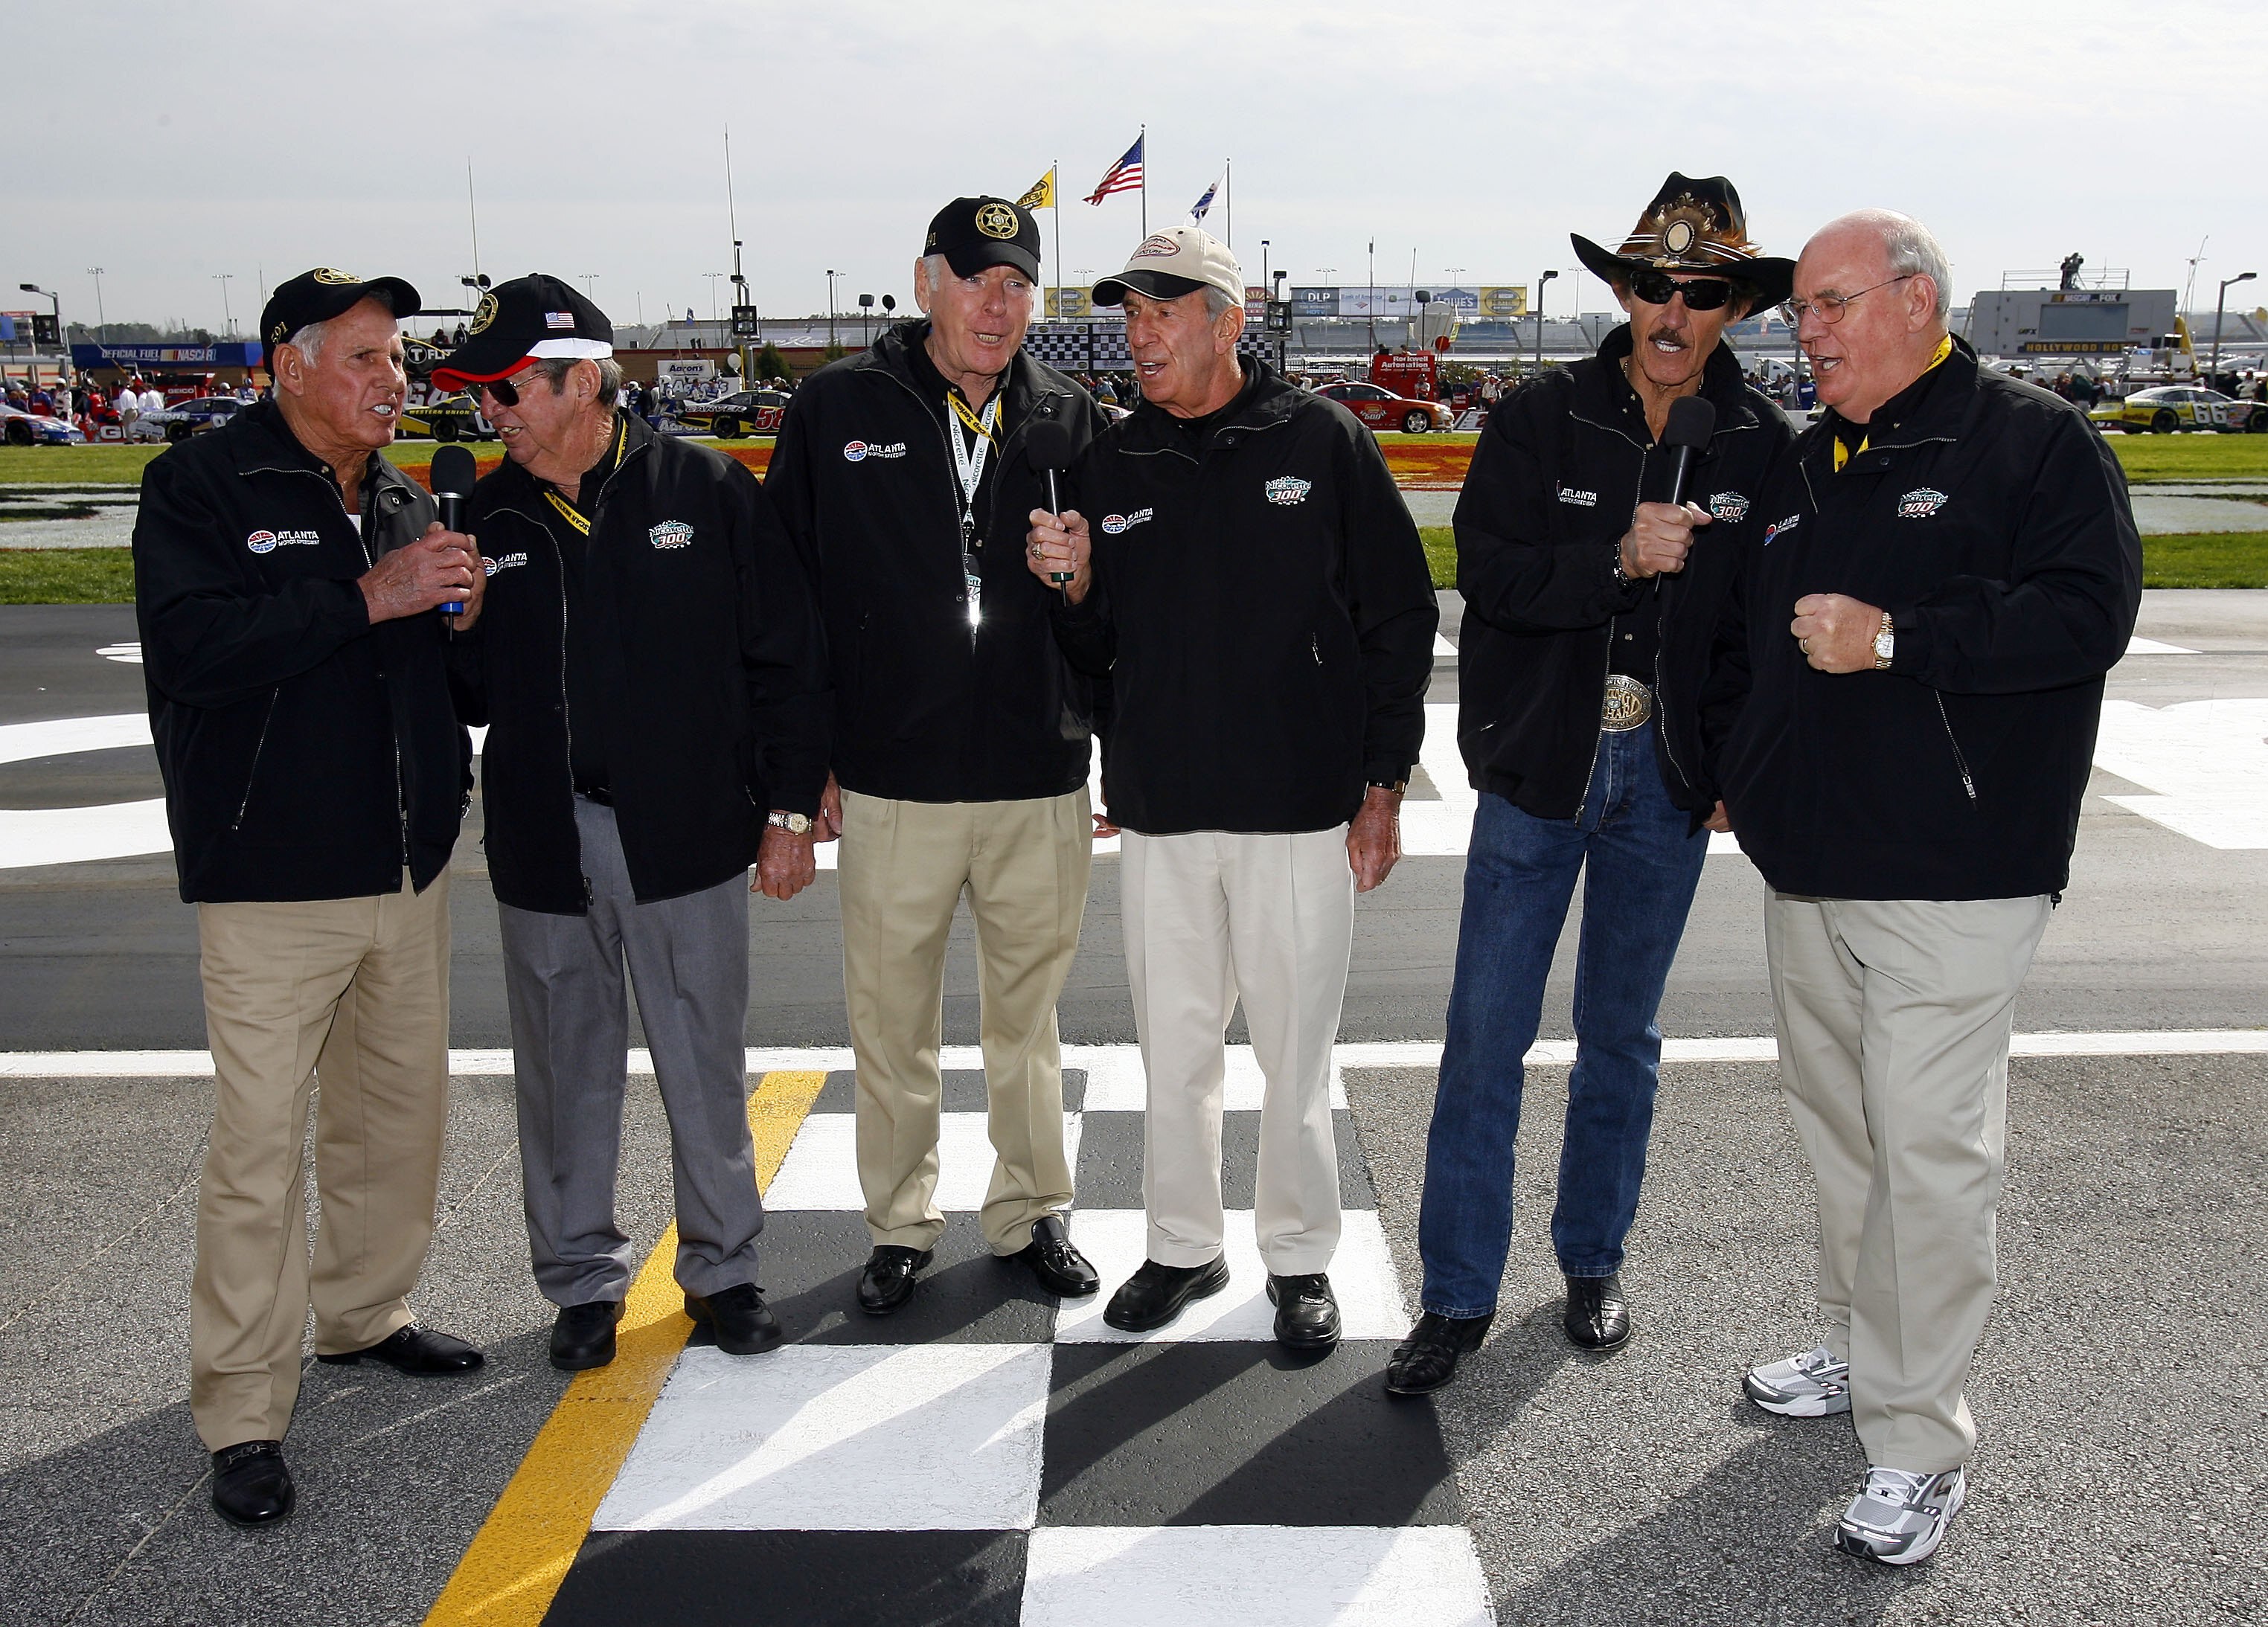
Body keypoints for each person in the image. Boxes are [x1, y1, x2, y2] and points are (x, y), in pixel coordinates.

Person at [1708, 210, 2140, 1565]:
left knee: (1933, 1158)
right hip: (1813, 866)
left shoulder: (2030, 441)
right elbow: (1764, 648)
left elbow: (2090, 616)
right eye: (1800, 312)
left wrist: (1896, 638)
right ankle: (1855, 1344)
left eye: (1832, 305)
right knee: (1844, 1134)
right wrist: (1746, 769)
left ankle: (1919, 1440)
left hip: (1958, 873)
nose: (1806, 330)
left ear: (1915, 301)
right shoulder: (1807, 460)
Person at [1386, 175, 1796, 1399]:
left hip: (1664, 783)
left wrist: (1725, 766)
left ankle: (1592, 1264)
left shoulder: (1757, 446)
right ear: (1620, 290)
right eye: (1654, 285)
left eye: (1703, 292)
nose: (1674, 310)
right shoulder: (1540, 417)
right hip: (1541, 770)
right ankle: (1457, 1294)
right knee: (1485, 1040)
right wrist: (1613, 560)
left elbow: (1755, 636)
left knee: (1621, 1040)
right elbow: (1491, 580)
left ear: (1734, 308)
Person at [1027, 227, 1438, 1349]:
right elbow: (1101, 646)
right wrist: (1069, 592)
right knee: (1176, 1049)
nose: (1140, 334)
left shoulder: (1324, 440)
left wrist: (1382, 781)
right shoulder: (1114, 462)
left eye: (1163, 312)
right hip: (1162, 810)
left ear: (1227, 320)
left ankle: (1300, 1260)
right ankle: (1182, 1246)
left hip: (1301, 807)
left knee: (1295, 1052)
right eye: (1129, 314)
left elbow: (1400, 617)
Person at [132, 269, 488, 1529]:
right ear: (288, 362)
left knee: (394, 1122)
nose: (393, 380)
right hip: (273, 879)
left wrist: (458, 623)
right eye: (366, 358)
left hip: (405, 869)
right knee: (258, 1148)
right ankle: (240, 1408)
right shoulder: (203, 486)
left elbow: (444, 684)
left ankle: (361, 1313)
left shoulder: (397, 494)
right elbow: (192, 652)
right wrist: (361, 599)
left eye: (397, 359)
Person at [432, 275, 829, 1373]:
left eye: (506, 390)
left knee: (703, 1059)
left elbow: (786, 661)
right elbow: (466, 697)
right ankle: (580, 1283)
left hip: (688, 835)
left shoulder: (701, 489)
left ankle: (725, 1271)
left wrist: (790, 808)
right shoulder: (485, 516)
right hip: (543, 839)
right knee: (563, 1070)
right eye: (479, 395)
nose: (489, 415)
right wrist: (451, 625)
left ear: (581, 381)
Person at [767, 197, 1109, 1315]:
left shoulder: (1071, 414)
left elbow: (1118, 610)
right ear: (926, 285)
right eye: (975, 279)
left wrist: (1086, 588)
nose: (997, 304)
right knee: (892, 1021)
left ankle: (1028, 1210)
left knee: (1030, 1018)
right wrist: (802, 762)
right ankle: (901, 1224)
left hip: (1035, 775)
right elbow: (790, 603)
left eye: (1017, 282)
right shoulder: (836, 409)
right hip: (891, 774)